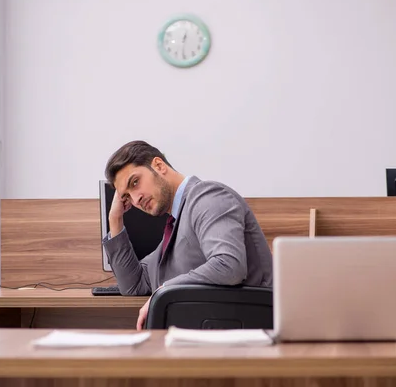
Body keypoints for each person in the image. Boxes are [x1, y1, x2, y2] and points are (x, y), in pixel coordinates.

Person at [101, 140, 273, 330]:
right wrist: (115, 219)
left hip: (245, 337)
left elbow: (229, 265)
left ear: (159, 166)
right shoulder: (176, 224)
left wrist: (164, 289)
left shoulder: (208, 197)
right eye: (127, 197)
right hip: (209, 335)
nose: (135, 199)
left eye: (135, 182)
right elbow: (133, 285)